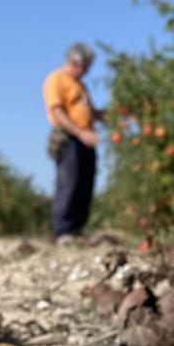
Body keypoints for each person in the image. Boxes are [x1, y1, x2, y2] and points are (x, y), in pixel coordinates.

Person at [42, 42, 103, 244]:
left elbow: (91, 112)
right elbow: (58, 112)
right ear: (76, 62)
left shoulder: (80, 85)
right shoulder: (56, 79)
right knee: (70, 182)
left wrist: (116, 114)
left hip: (86, 138)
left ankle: (77, 230)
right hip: (69, 138)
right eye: (87, 66)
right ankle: (63, 230)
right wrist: (80, 133)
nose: (87, 71)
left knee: (85, 185)